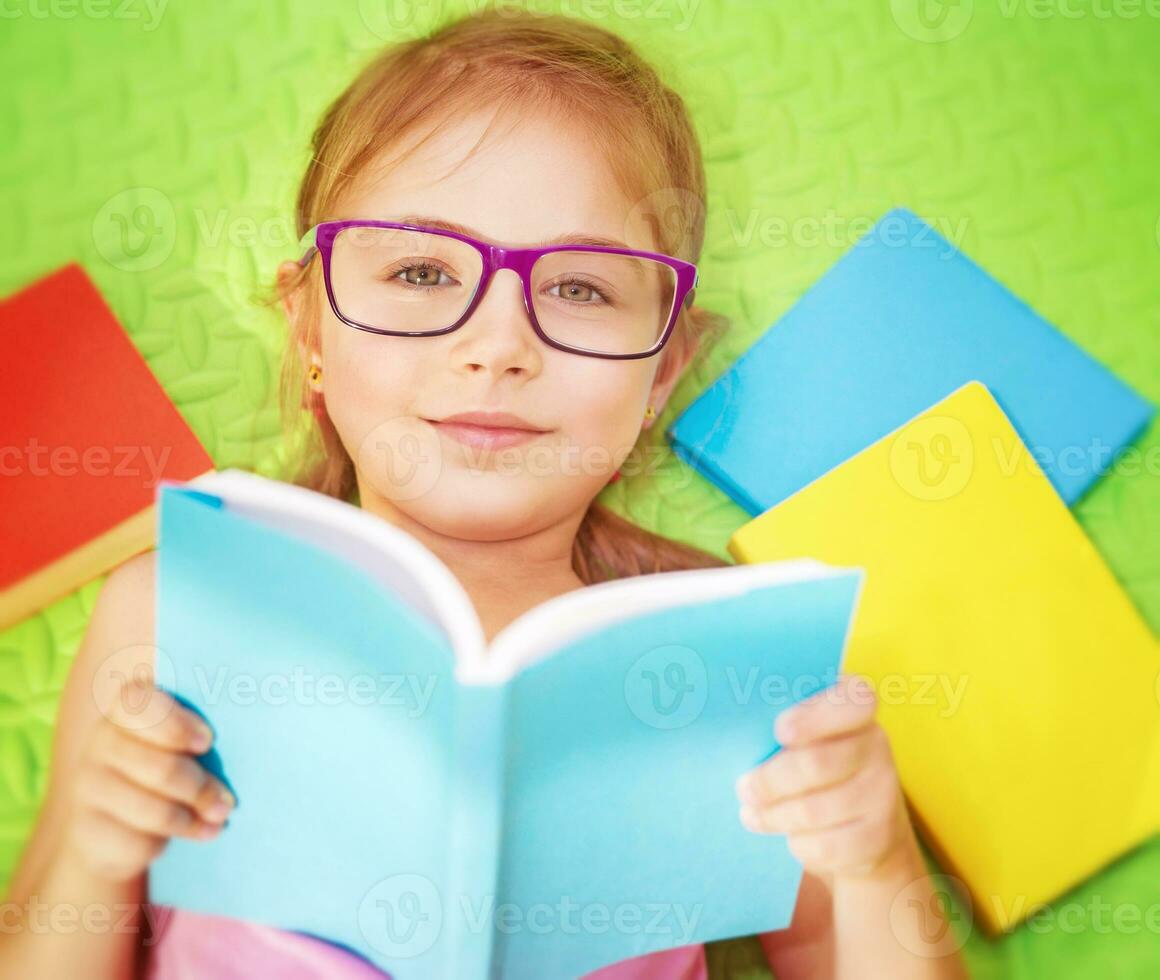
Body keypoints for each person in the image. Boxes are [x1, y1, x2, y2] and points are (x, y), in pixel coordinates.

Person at [0, 9, 967, 979]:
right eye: (420, 270)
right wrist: (92, 850)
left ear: (662, 371)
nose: (498, 346)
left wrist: (876, 865)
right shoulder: (176, 608)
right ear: (309, 330)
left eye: (581, 289)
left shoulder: (723, 659)